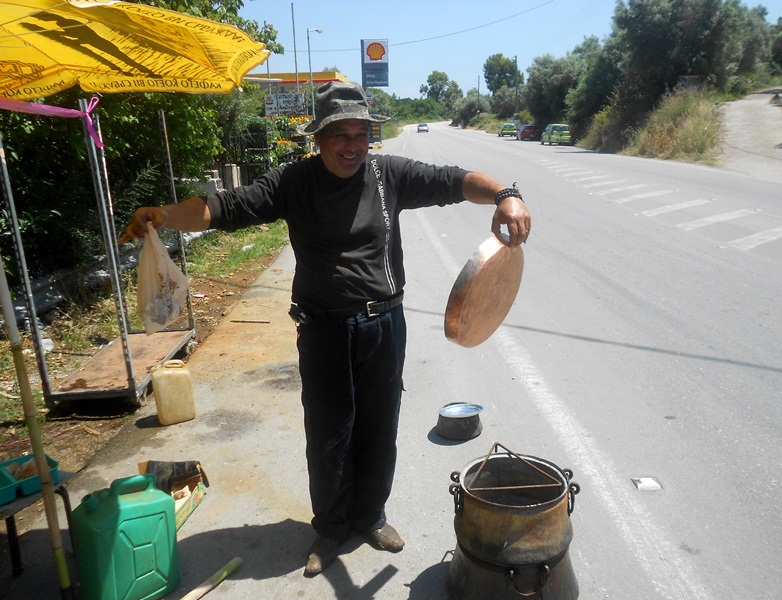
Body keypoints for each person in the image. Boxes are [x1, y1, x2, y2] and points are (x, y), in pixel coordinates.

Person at [119, 81, 530, 576]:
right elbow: (220, 209)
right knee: (329, 435)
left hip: (384, 323)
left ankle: (371, 517)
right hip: (323, 331)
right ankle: (331, 528)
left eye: (362, 132)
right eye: (341, 134)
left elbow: (456, 181)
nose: (353, 144)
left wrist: (506, 195)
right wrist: (162, 216)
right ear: (319, 138)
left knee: (380, 427)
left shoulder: (389, 175)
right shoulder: (293, 182)